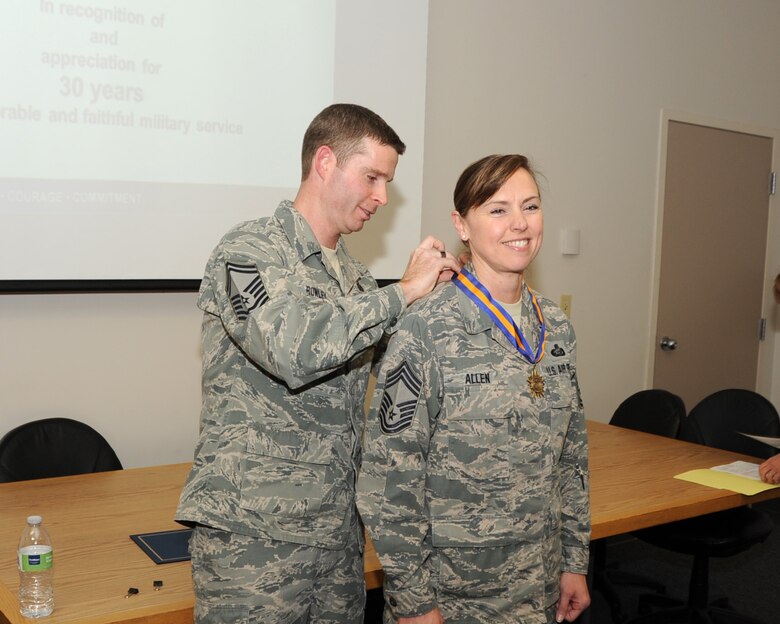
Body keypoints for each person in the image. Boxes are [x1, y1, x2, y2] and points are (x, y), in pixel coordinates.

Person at [175, 103, 460, 624]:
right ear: (325, 162)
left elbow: (394, 378)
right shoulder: (249, 250)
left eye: (387, 182)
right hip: (255, 536)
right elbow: (294, 350)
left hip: (337, 533)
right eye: (372, 176)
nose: (381, 196)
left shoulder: (353, 278)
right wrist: (403, 293)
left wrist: (434, 307)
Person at [357, 154, 591, 623]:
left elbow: (572, 457)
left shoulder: (556, 328)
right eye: (498, 209)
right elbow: (389, 478)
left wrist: (574, 562)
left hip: (539, 588)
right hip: (454, 599)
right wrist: (414, 603)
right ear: (462, 225)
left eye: (531, 206)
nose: (519, 224)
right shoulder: (424, 329)